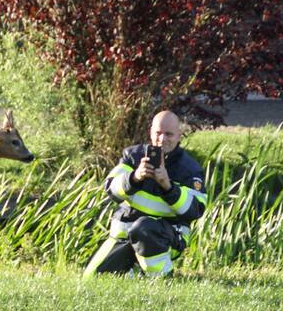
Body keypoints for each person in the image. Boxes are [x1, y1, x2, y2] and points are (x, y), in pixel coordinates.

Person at [83, 110, 207, 278]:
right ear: (150, 132)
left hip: (165, 237)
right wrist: (134, 178)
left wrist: (168, 187)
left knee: (144, 228)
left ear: (179, 135)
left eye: (169, 134)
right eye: (158, 133)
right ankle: (136, 271)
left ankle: (162, 278)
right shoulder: (132, 156)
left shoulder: (190, 169)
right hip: (125, 237)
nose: (162, 139)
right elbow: (110, 190)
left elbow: (195, 210)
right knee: (91, 277)